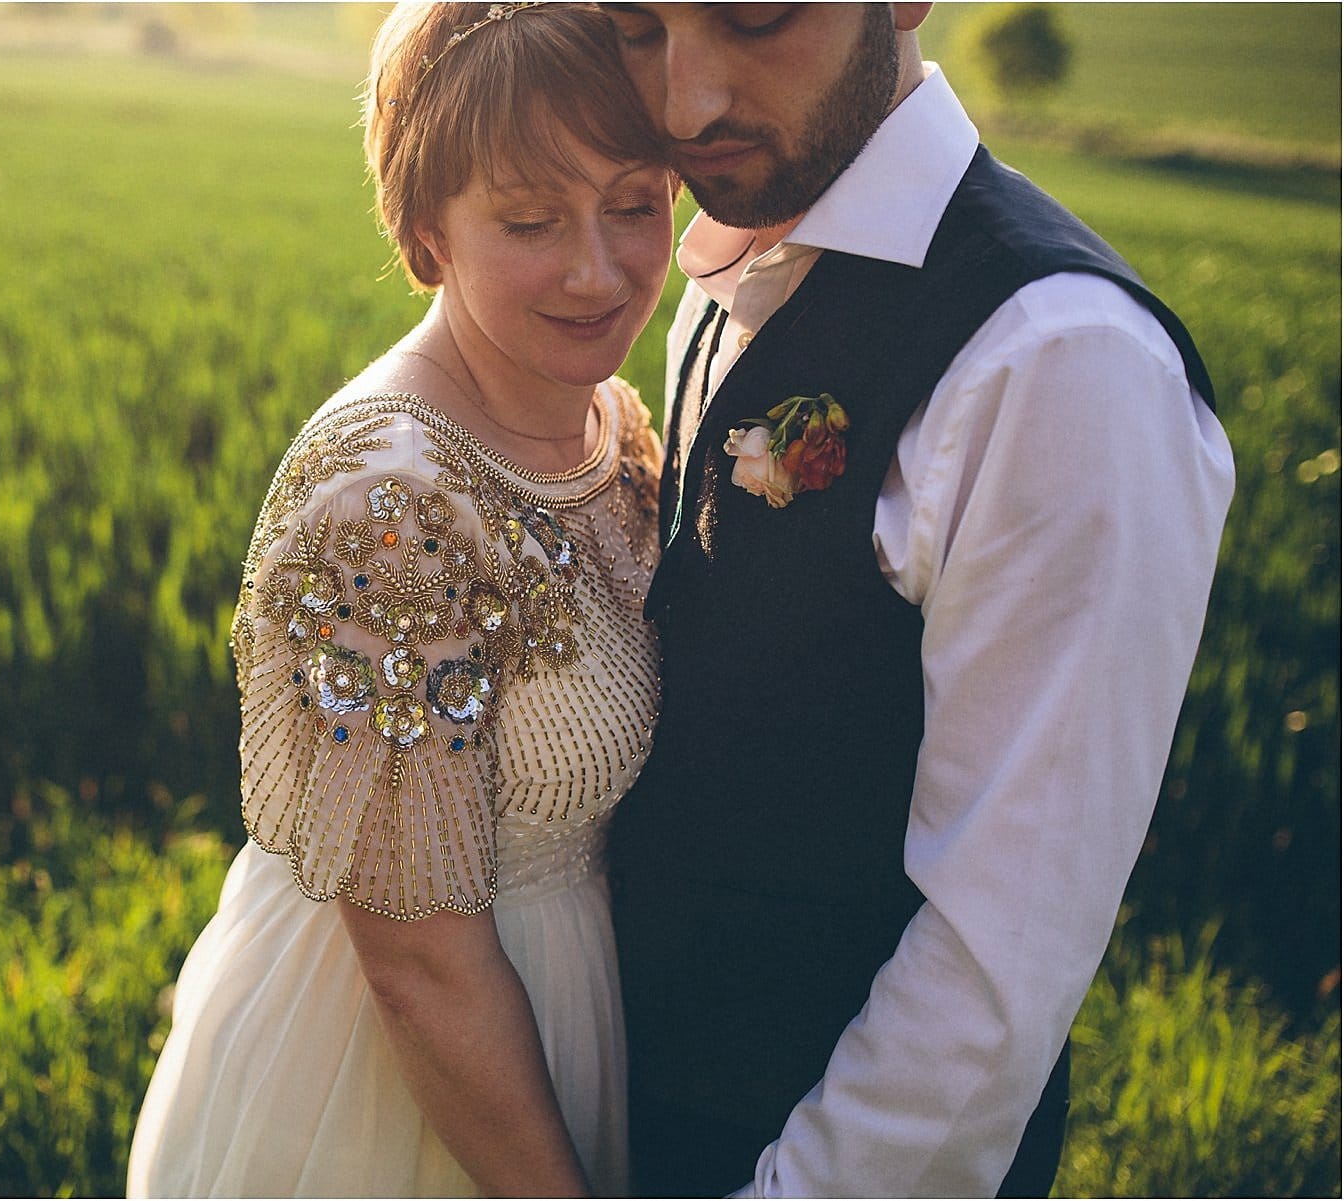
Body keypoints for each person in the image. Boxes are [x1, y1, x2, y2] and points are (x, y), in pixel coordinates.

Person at [599, 3, 1235, 1196]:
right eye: (636, 26)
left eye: (751, 13)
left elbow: (994, 965)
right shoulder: (721, 273)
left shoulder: (1060, 361)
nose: (684, 103)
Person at [126, 3, 675, 1195]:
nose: (600, 266)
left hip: (566, 1010)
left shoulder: (609, 423)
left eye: (634, 203)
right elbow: (417, 963)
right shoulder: (386, 511)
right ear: (425, 233)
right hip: (393, 1080)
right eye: (532, 220)